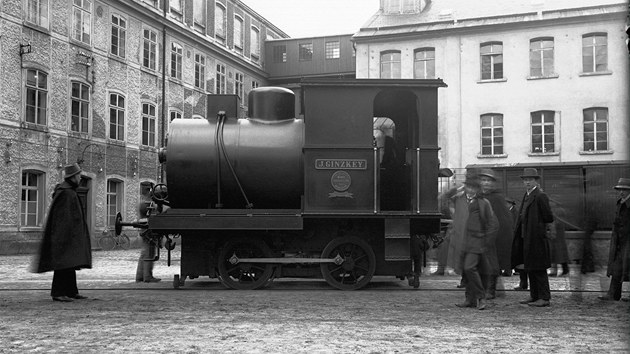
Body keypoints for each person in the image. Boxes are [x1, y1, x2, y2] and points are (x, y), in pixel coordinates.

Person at [34, 163, 92, 302]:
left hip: (70, 234)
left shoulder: (70, 191)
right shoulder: (66, 192)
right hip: (64, 235)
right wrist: (65, 236)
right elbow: (62, 218)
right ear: (72, 177)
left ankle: (71, 291)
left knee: (70, 263)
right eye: (78, 175)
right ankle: (58, 292)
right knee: (63, 263)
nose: (80, 178)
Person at [453, 173, 499, 310]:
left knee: (469, 268)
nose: (471, 190)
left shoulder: (483, 203)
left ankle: (481, 297)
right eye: (469, 187)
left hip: (477, 242)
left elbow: (492, 223)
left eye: (474, 188)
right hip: (462, 241)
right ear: (465, 187)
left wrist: (486, 241)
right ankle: (469, 299)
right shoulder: (459, 201)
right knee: (465, 272)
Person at [511, 168, 554, 307]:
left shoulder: (540, 196)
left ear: (536, 180)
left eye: (530, 179)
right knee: (530, 267)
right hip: (526, 237)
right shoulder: (527, 195)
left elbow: (548, 217)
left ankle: (544, 297)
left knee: (539, 268)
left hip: (536, 238)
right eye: (525, 180)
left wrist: (538, 228)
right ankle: (534, 295)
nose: (527, 182)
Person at [478, 168, 514, 299]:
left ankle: (491, 290)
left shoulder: (497, 198)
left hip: (494, 237)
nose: (486, 183)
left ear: (493, 183)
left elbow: (503, 220)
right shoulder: (479, 196)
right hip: (481, 236)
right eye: (483, 180)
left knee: (492, 265)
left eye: (488, 180)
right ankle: (489, 289)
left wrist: (493, 237)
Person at [599, 177, 630, 301]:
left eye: (625, 190)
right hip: (620, 242)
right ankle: (613, 294)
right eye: (620, 189)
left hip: (628, 241)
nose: (621, 192)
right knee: (617, 267)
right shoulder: (620, 203)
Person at [135, 197, 161, 283]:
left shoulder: (143, 203)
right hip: (148, 232)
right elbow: (150, 215)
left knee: (144, 254)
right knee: (149, 254)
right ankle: (147, 276)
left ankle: (139, 276)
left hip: (144, 231)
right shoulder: (148, 204)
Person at [548, 202, 570, 277]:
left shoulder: (555, 211)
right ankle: (565, 269)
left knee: (556, 254)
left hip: (556, 235)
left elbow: (554, 222)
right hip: (560, 235)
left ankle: (556, 271)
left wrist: (552, 233)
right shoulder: (561, 210)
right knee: (561, 254)